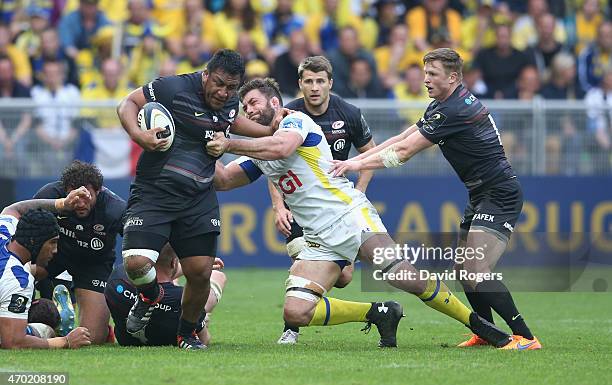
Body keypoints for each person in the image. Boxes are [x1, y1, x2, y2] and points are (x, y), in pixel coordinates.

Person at [207, 77, 512, 349]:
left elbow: (282, 149)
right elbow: (223, 180)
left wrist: (230, 143)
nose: (248, 111)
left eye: (253, 103)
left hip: (349, 218)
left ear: (274, 102)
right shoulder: (258, 149)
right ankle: (379, 312)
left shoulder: (294, 122)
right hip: (319, 239)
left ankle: (477, 325)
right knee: (296, 312)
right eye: (244, 107)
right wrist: (201, 141)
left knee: (403, 276)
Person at [329, 48, 542, 350]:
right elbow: (400, 140)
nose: (426, 79)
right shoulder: (441, 105)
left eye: (432, 74)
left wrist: (354, 165)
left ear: (453, 77)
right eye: (425, 73)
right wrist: (360, 158)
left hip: (499, 194)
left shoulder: (453, 110)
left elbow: (403, 153)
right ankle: (486, 332)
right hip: (481, 193)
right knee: (464, 271)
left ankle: (526, 337)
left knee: (476, 271)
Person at [116, 49, 286, 350]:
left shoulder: (231, 102)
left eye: (231, 87)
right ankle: (150, 296)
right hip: (154, 192)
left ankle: (187, 334)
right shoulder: (173, 88)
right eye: (218, 83)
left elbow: (232, 122)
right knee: (137, 263)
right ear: (206, 75)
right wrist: (137, 135)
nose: (224, 92)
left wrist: (266, 131)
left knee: (200, 273)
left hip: (198, 197)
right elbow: (128, 103)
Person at [271, 55, 377, 343]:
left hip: (337, 209)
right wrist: (279, 206)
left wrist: (360, 192)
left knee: (343, 279)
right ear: (300, 84)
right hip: (300, 208)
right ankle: (290, 327)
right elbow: (271, 162)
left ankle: (377, 312)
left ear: (330, 83)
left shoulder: (349, 113)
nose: (315, 87)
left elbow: (370, 155)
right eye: (309, 81)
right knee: (300, 260)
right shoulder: (288, 116)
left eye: (320, 81)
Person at [33, 160, 127, 344]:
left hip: (94, 263)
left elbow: (139, 243)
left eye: (87, 196)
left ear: (98, 192)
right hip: (55, 254)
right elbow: (25, 226)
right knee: (27, 271)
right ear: (66, 190)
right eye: (75, 196)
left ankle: (102, 329)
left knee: (92, 338)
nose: (80, 203)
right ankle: (33, 310)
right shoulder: (50, 195)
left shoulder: (114, 209)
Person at [0, 190, 92, 349]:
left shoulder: (5, 229)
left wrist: (62, 204)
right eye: (52, 242)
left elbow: (16, 209)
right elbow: (13, 341)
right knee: (43, 330)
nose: (55, 250)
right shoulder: (18, 280)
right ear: (33, 241)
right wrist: (65, 341)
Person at [105, 244, 226, 346]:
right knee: (218, 277)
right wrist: (197, 266)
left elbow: (148, 270)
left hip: (126, 341)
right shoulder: (186, 299)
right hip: (177, 317)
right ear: (174, 263)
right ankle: (202, 317)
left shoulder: (119, 276)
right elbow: (205, 339)